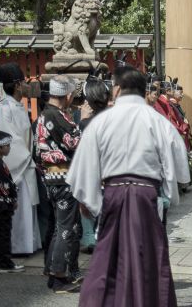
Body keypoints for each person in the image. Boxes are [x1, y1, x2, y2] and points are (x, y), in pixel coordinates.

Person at [67, 66, 190, 307]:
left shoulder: (101, 122)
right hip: (147, 196)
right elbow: (181, 171)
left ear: (117, 89)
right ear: (142, 89)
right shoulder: (158, 121)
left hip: (113, 194)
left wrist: (93, 203)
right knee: (150, 257)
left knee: (108, 258)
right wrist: (169, 193)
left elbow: (83, 168)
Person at [0, 62, 41, 256]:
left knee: (26, 208)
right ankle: (16, 247)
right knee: (18, 209)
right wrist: (27, 156)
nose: (28, 86)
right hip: (17, 166)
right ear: (17, 85)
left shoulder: (18, 106)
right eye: (25, 82)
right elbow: (6, 137)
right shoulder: (4, 108)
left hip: (25, 164)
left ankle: (28, 244)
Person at [36, 76, 82, 293]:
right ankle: (59, 276)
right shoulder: (58, 117)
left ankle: (52, 270)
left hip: (51, 178)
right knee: (65, 228)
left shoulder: (44, 115)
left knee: (59, 226)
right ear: (68, 95)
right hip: (64, 178)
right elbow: (74, 143)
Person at [76, 79, 113, 254]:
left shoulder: (85, 124)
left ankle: (90, 236)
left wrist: (83, 121)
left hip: (92, 172)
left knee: (86, 204)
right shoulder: (112, 119)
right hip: (110, 172)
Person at [0, 130, 25, 273]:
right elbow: (5, 184)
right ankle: (5, 263)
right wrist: (13, 198)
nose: (9, 148)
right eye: (6, 146)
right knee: (4, 233)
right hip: (2, 203)